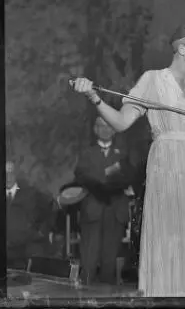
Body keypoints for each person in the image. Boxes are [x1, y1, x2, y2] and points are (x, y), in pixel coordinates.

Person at [71, 23, 185, 297]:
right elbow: (122, 122)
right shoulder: (153, 80)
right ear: (183, 49)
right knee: (170, 238)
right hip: (167, 165)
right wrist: (93, 96)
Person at [74, 116, 138, 285]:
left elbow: (128, 178)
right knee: (89, 261)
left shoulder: (123, 155)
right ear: (95, 130)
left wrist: (103, 179)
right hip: (93, 211)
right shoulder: (86, 154)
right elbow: (81, 177)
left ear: (114, 130)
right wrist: (108, 175)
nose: (105, 129)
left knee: (109, 262)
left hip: (116, 211)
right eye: (101, 126)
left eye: (109, 126)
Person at [6, 161, 57, 269]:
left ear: (15, 174)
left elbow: (50, 207)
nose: (8, 176)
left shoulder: (31, 193)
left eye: (10, 172)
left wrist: (43, 231)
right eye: (5, 173)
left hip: (26, 248)